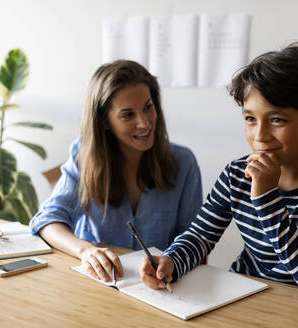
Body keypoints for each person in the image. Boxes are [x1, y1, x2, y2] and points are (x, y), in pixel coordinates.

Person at [139, 42, 298, 295]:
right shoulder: (237, 174)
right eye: (250, 119)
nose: (260, 135)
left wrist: (266, 197)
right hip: (251, 297)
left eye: (277, 120)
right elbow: (200, 236)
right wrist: (171, 260)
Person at [30, 60, 202, 283]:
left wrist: (172, 262)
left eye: (148, 107)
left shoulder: (183, 163)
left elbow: (197, 239)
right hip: (97, 283)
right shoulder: (83, 155)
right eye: (128, 115)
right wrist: (85, 251)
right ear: (104, 122)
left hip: (158, 289)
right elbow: (47, 220)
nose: (144, 123)